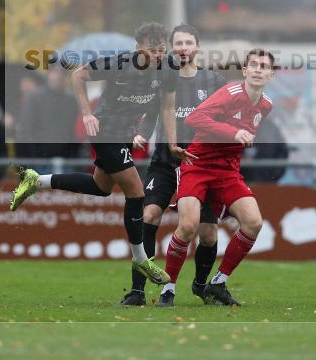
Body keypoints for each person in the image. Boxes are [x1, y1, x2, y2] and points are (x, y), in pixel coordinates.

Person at [10, 23, 187, 288]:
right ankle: (141, 258)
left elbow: (166, 107)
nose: (158, 55)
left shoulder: (168, 69)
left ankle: (38, 181)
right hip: (104, 131)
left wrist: (167, 141)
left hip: (124, 134)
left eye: (162, 49)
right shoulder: (119, 64)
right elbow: (78, 76)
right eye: (152, 50)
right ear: (138, 48)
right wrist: (86, 113)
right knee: (137, 192)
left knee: (101, 186)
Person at [120, 24, 228, 308]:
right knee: (149, 216)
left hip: (201, 164)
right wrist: (138, 131)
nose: (182, 48)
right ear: (170, 48)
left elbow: (227, 117)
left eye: (188, 43)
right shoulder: (160, 79)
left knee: (207, 233)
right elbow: (146, 111)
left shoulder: (214, 80)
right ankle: (137, 291)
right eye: (177, 43)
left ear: (198, 46)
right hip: (166, 162)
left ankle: (202, 287)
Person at [162, 48, 275, 307]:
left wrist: (241, 138)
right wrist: (233, 132)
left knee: (254, 223)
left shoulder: (266, 105)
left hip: (227, 172)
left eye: (264, 66)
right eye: (253, 65)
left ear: (271, 74)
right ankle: (168, 287)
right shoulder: (230, 93)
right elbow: (195, 117)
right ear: (245, 71)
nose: (258, 69)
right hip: (198, 164)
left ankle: (218, 282)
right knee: (189, 226)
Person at [16, 66, 80, 169]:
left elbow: (74, 128)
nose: (57, 77)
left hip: (66, 158)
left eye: (60, 74)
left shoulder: (72, 99)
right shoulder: (34, 98)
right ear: (48, 75)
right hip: (40, 159)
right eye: (54, 73)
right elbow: (26, 129)